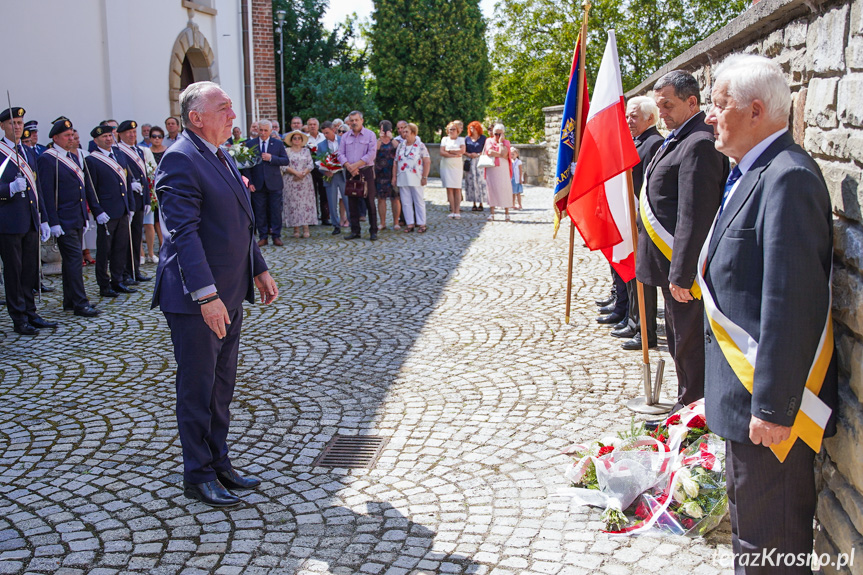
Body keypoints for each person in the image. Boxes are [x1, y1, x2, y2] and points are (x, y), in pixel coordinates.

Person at [702, 54, 837, 574]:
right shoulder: (750, 170)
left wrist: (777, 409)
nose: (711, 116)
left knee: (771, 549)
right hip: (746, 399)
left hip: (772, 412)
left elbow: (791, 300)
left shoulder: (788, 177)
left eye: (719, 104)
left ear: (756, 110)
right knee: (752, 537)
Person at [152, 81, 278, 507]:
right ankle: (198, 473)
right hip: (196, 299)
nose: (232, 115)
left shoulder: (219, 153)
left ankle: (219, 460)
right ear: (196, 118)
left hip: (231, 289)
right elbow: (183, 234)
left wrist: (257, 269)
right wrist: (207, 298)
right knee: (198, 386)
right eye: (223, 108)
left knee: (222, 385)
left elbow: (238, 220)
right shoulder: (180, 159)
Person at [636, 69, 728, 414]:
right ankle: (687, 403)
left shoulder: (700, 142)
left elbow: (695, 213)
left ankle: (693, 413)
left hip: (683, 270)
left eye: (668, 105)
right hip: (668, 263)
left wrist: (683, 272)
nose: (663, 113)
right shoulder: (678, 137)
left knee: (689, 344)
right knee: (678, 341)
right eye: (659, 107)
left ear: (692, 102)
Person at [614, 96, 665, 350]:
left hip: (641, 219)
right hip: (631, 218)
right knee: (633, 275)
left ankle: (646, 331)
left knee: (642, 278)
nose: (628, 120)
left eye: (634, 116)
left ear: (650, 117)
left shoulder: (653, 143)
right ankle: (635, 322)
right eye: (627, 116)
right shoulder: (639, 142)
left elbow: (648, 187)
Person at [0, 106, 55, 335]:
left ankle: (31, 312)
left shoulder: (29, 152)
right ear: (3, 126)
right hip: (9, 222)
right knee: (14, 271)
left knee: (30, 271)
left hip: (31, 220)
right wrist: (8, 189)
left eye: (20, 123)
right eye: (13, 123)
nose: (18, 127)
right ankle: (19, 317)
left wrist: (43, 218)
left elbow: (37, 188)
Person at [38, 119, 101, 318]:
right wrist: (52, 221)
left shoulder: (71, 157)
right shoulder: (48, 159)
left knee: (70, 262)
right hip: (63, 219)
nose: (71, 138)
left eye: (72, 135)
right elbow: (47, 193)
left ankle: (69, 301)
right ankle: (81, 303)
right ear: (55, 138)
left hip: (76, 216)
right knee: (74, 260)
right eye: (66, 136)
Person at [85, 124, 135, 298]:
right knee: (104, 250)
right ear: (96, 140)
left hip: (122, 210)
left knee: (120, 247)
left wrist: (131, 206)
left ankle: (118, 280)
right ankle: (104, 285)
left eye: (109, 135)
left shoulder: (119, 154)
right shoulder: (92, 160)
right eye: (104, 136)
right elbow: (90, 188)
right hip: (106, 212)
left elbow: (127, 183)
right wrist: (97, 211)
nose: (108, 138)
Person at [241, 119, 290, 246]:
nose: (263, 133)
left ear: (270, 131)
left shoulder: (278, 144)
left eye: (265, 130)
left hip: (274, 182)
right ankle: (263, 236)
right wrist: (249, 182)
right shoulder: (250, 144)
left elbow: (285, 160)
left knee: (275, 211)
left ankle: (276, 235)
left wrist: (271, 158)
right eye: (260, 130)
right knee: (260, 211)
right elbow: (246, 166)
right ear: (257, 130)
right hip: (257, 183)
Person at [116, 120, 152, 285]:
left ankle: (135, 270)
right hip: (127, 200)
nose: (132, 135)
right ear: (121, 135)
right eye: (128, 133)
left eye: (134, 132)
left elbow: (144, 177)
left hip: (139, 199)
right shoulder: (118, 151)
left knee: (137, 236)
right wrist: (130, 185)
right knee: (126, 239)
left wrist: (146, 199)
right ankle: (125, 272)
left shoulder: (139, 150)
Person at [338, 111, 378, 241]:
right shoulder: (345, 137)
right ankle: (355, 231)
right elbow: (340, 154)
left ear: (362, 120)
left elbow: (371, 154)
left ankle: (373, 231)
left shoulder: (370, 135)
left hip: (365, 171)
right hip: (350, 171)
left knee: (369, 201)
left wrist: (355, 166)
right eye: (352, 120)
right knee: (352, 202)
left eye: (356, 120)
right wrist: (349, 166)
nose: (354, 122)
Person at [393, 123, 430, 233]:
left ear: (413, 133)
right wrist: (394, 177)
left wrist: (424, 176)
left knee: (418, 200)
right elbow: (395, 162)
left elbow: (427, 161)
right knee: (405, 201)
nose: (404, 134)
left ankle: (422, 223)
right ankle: (410, 223)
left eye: (407, 132)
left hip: (416, 177)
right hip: (403, 177)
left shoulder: (420, 145)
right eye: (403, 132)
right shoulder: (401, 145)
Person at [281, 130, 317, 238]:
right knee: (293, 204)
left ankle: (306, 227)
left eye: (299, 138)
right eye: (294, 138)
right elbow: (283, 165)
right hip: (290, 180)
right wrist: (295, 173)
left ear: (302, 140)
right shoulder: (286, 151)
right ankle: (295, 228)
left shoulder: (306, 151)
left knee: (305, 203)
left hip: (305, 181)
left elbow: (311, 164)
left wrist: (303, 173)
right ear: (291, 140)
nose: (297, 140)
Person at [318, 121, 347, 235]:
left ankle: (352, 222)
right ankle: (336, 225)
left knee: (347, 200)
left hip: (342, 173)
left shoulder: (342, 141)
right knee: (332, 201)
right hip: (330, 176)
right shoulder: (321, 145)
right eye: (324, 133)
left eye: (327, 133)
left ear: (333, 130)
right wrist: (325, 171)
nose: (325, 135)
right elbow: (318, 162)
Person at [483, 123, 513, 222]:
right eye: (496, 134)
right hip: (492, 168)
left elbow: (505, 154)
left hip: (503, 168)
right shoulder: (489, 140)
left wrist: (500, 144)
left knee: (505, 188)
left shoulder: (506, 143)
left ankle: (507, 213)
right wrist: (501, 153)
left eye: (500, 134)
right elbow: (489, 152)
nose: (497, 136)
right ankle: (492, 213)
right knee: (492, 188)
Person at [375, 121, 399, 231]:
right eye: (382, 130)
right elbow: (374, 152)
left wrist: (391, 137)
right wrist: (380, 139)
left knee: (395, 198)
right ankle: (382, 222)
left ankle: (396, 222)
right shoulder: (377, 141)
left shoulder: (395, 141)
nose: (384, 132)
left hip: (392, 172)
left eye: (386, 129)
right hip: (380, 173)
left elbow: (398, 149)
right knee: (381, 199)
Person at [440, 121, 466, 219]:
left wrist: (449, 151)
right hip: (446, 165)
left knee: (457, 188)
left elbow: (462, 151)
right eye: (450, 129)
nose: (452, 131)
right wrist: (454, 153)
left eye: (454, 129)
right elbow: (442, 152)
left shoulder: (461, 139)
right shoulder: (444, 139)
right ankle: (452, 210)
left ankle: (457, 210)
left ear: (458, 130)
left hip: (457, 166)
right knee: (449, 188)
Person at [306, 118, 328, 225]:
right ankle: (313, 217)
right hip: (309, 169)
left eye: (314, 124)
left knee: (324, 193)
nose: (312, 126)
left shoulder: (324, 137)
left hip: (322, 168)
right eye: (310, 124)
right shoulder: (304, 138)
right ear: (307, 126)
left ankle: (325, 217)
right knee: (311, 194)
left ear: (318, 126)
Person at [463, 121, 487, 212]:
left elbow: (485, 149)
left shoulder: (483, 138)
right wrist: (469, 154)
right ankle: (473, 203)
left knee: (480, 181)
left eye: (474, 128)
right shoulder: (467, 138)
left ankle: (481, 203)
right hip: (470, 161)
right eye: (471, 128)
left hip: (480, 161)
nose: (472, 130)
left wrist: (477, 154)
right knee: (471, 182)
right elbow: (463, 150)